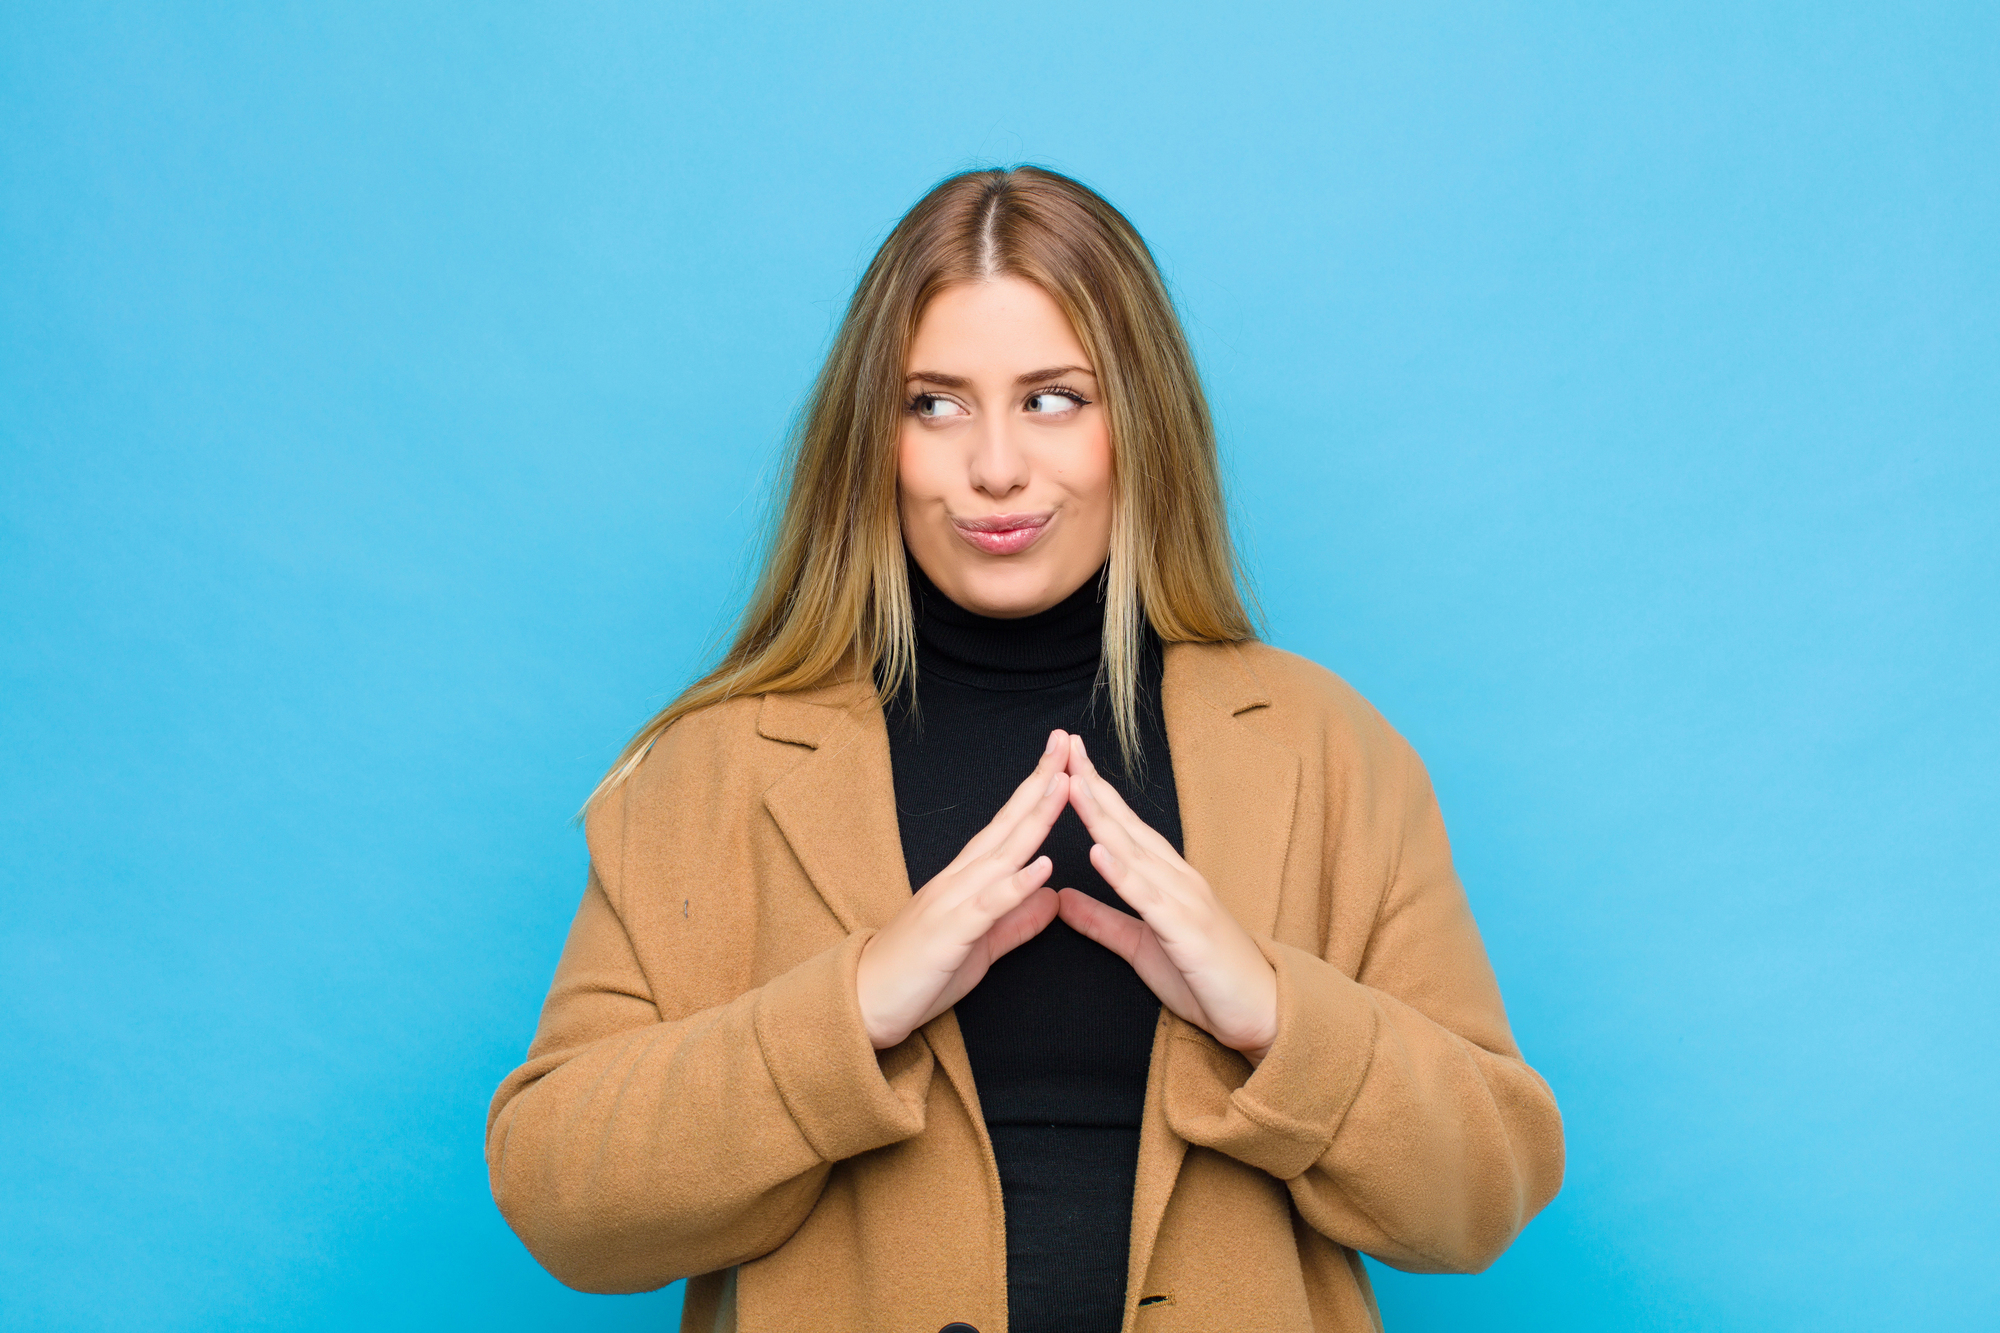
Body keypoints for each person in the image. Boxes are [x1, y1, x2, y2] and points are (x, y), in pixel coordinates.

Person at [486, 165, 1563, 1333]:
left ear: (1136, 421)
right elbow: (559, 1198)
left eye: (1053, 397)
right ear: (872, 438)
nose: (994, 465)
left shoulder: (1327, 750)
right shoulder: (711, 769)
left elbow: (1483, 1194)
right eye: (933, 404)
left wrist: (1269, 1013)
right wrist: (847, 1009)